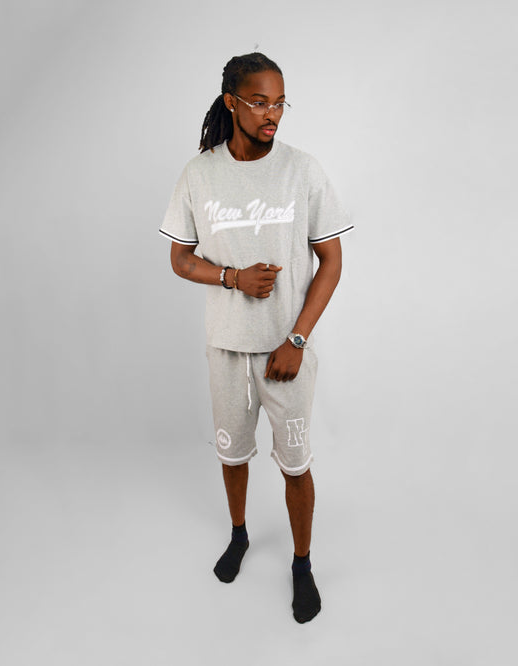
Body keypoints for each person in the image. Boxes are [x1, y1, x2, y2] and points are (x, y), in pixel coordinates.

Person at [159, 52, 352, 624]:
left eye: (280, 103)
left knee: (295, 463)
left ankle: (302, 563)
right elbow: (179, 258)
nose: (273, 114)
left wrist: (297, 338)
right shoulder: (199, 174)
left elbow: (332, 260)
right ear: (232, 102)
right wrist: (232, 277)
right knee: (232, 453)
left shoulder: (302, 170)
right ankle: (239, 534)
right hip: (226, 347)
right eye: (260, 102)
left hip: (285, 351)